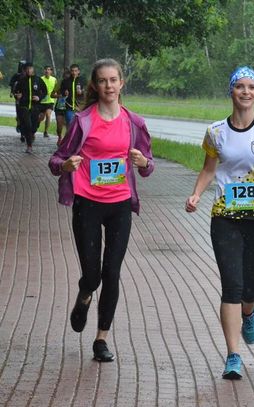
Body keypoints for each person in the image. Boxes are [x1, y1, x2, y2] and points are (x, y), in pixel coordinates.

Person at [185, 66, 254, 380]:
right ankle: (233, 355)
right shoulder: (216, 132)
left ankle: (249, 312)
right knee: (231, 285)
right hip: (225, 217)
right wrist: (195, 195)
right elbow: (208, 169)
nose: (245, 92)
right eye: (239, 87)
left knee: (251, 287)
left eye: (251, 87)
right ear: (230, 91)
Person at [48, 58, 154, 362]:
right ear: (95, 85)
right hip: (87, 203)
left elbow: (148, 166)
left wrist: (143, 163)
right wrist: (66, 165)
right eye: (103, 81)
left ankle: (101, 339)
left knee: (112, 272)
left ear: (122, 83)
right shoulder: (83, 121)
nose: (109, 86)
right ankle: (84, 296)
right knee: (93, 275)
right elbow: (56, 160)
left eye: (114, 80)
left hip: (119, 203)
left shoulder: (134, 123)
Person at [13, 62, 47, 153]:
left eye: (30, 69)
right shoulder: (21, 81)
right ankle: (29, 146)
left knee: (34, 127)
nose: (29, 71)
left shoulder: (38, 80)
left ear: (33, 69)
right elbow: (15, 92)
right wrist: (17, 96)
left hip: (35, 107)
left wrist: (39, 97)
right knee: (28, 125)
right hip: (24, 107)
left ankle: (32, 134)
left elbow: (45, 91)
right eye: (27, 69)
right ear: (24, 71)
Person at [51, 68, 71, 145]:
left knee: (69, 126)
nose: (66, 77)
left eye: (68, 76)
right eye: (65, 75)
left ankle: (66, 141)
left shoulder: (73, 84)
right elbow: (52, 94)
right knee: (59, 126)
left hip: (69, 107)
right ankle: (60, 137)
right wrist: (59, 95)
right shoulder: (59, 83)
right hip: (59, 107)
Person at [38, 65, 57, 138]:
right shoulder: (40, 79)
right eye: (46, 69)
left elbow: (56, 89)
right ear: (44, 71)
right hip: (42, 101)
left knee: (48, 115)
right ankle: (35, 127)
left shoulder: (54, 79)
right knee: (41, 117)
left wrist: (56, 94)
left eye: (49, 70)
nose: (47, 71)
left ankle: (46, 131)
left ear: (51, 71)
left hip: (50, 101)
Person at [9, 60, 26, 137]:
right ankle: (19, 123)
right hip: (18, 96)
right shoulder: (16, 75)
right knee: (19, 111)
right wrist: (12, 92)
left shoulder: (28, 75)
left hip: (26, 96)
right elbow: (12, 84)